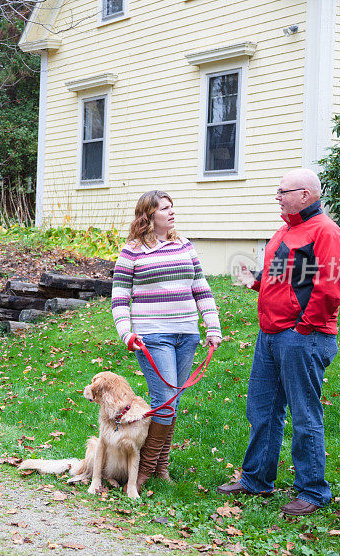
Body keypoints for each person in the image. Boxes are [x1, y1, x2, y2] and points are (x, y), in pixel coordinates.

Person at [217, 168, 340, 516]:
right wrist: (255, 281)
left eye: (282, 191)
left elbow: (330, 288)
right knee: (261, 410)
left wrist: (305, 328)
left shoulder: (325, 231)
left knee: (305, 416)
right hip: (270, 336)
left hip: (301, 337)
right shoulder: (285, 231)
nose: (277, 196)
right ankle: (256, 479)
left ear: (305, 194)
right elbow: (283, 275)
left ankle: (313, 491)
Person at [112, 190, 222, 488]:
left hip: (187, 334)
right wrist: (126, 333)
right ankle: (146, 470)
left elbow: (201, 287)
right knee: (165, 402)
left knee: (173, 400)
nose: (171, 212)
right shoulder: (132, 251)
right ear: (148, 216)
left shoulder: (184, 246)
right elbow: (119, 299)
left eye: (172, 207)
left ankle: (160, 469)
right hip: (152, 336)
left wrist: (213, 327)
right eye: (164, 208)